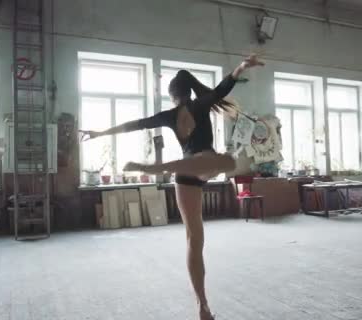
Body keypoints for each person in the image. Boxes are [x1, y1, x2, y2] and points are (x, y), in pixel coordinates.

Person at [81, 54, 264, 320]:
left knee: (193, 239)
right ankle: (203, 307)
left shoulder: (169, 115)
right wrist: (242, 66)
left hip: (185, 173)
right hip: (204, 165)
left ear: (172, 96)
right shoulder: (201, 104)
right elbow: (225, 86)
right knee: (217, 165)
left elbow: (135, 125)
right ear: (188, 91)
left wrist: (99, 133)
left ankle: (202, 305)